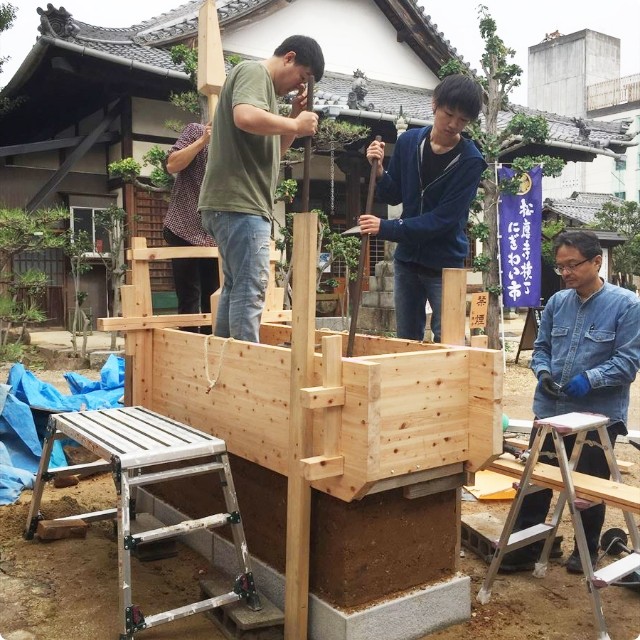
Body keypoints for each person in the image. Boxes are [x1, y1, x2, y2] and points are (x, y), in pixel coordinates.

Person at [500, 230, 640, 574]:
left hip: (598, 415)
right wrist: (543, 372)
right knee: (537, 484)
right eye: (560, 266)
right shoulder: (557, 302)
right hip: (551, 411)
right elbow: (542, 347)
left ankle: (586, 551)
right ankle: (527, 548)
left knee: (588, 489)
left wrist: (589, 380)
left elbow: (629, 361)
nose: (565, 273)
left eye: (572, 265)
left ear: (596, 261)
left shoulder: (627, 305)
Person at [198, 35, 324, 343]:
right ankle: (245, 372)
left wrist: (292, 116)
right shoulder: (253, 72)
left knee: (236, 286)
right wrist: (296, 125)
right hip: (241, 203)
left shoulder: (268, 97)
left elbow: (275, 153)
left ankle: (224, 365)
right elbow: (244, 117)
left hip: (234, 204)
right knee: (250, 288)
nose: (298, 87)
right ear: (289, 57)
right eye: (301, 78)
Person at [358, 74, 485, 343]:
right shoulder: (409, 142)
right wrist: (380, 171)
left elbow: (443, 220)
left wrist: (386, 227)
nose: (453, 125)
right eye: (448, 114)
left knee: (448, 339)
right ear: (434, 105)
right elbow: (394, 195)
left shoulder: (471, 161)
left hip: (445, 265)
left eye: (463, 120)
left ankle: (449, 386)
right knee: (407, 338)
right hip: (406, 262)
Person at [163, 121, 219, 334]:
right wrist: (203, 140)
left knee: (213, 295)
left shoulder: (235, 142)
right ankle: (187, 347)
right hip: (183, 225)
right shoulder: (197, 130)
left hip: (214, 232)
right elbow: (172, 165)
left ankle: (208, 350)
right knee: (189, 295)